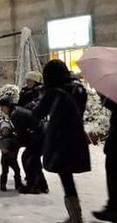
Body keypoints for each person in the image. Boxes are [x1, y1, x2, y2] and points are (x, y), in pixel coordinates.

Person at [33, 59, 90, 223]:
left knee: (66, 177)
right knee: (68, 176)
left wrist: (43, 96)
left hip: (61, 140)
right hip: (76, 138)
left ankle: (75, 217)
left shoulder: (54, 92)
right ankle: (75, 216)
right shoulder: (79, 89)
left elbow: (37, 113)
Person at [0, 96, 48, 194]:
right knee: (31, 159)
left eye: (2, 107)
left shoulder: (16, 115)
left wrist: (12, 144)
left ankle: (34, 186)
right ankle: (41, 185)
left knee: (29, 158)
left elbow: (22, 134)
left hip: (39, 136)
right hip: (39, 135)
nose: (1, 109)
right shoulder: (15, 112)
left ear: (8, 106)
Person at [93, 98, 117, 223]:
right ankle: (112, 207)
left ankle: (112, 209)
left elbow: (114, 106)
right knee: (113, 173)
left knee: (113, 173)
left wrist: (103, 97)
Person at [0, 120, 22, 191]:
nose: (5, 132)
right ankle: (3, 185)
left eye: (7, 130)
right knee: (4, 172)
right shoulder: (1, 139)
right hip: (5, 159)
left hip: (13, 158)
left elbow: (16, 145)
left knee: (17, 171)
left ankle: (18, 185)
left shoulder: (13, 139)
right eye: (3, 130)